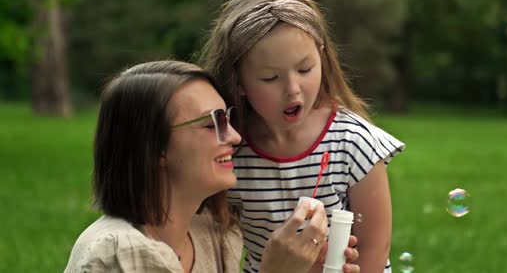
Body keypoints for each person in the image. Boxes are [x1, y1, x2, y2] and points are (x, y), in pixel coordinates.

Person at [64, 60, 360, 273]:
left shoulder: (210, 235)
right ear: (155, 147)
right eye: (211, 124)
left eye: (227, 120)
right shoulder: (121, 253)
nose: (234, 137)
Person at [202, 0, 406, 273]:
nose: (293, 89)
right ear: (238, 81)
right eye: (270, 78)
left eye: (305, 69)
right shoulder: (229, 151)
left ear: (322, 56)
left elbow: (375, 248)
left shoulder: (353, 142)